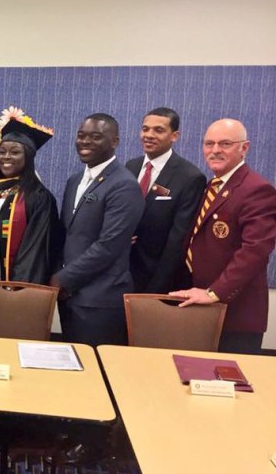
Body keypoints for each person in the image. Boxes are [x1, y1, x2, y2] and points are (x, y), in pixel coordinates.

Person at [172, 119, 276, 354]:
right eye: (209, 143)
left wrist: (214, 293)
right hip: (197, 307)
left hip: (234, 316)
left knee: (231, 385)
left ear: (244, 148)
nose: (215, 150)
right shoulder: (210, 187)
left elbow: (255, 252)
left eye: (225, 143)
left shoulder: (257, 190)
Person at [51, 113, 143, 347]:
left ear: (115, 142)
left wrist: (63, 279)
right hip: (69, 297)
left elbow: (109, 246)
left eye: (96, 137)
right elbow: (68, 234)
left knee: (99, 372)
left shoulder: (124, 184)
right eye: (81, 136)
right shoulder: (74, 180)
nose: (85, 142)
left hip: (100, 300)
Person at [0, 109, 61, 284]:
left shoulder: (38, 197)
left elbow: (36, 249)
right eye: (2, 152)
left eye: (15, 152)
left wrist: (16, 286)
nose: (6, 157)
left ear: (28, 156)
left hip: (20, 291)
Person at [126, 107, 206, 293]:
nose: (149, 135)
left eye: (158, 130)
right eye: (145, 129)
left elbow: (178, 240)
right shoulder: (131, 166)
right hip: (122, 274)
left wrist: (156, 289)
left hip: (158, 279)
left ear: (174, 136)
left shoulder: (190, 177)